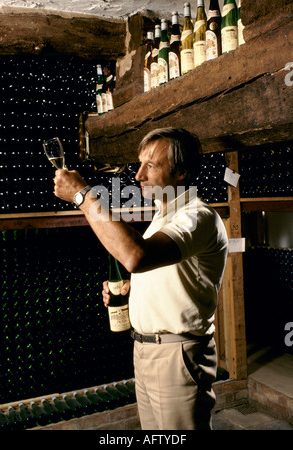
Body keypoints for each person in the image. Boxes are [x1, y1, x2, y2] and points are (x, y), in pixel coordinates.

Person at [53, 127, 228, 430]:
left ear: (182, 171)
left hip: (176, 355)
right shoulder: (165, 216)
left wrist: (83, 196)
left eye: (151, 165)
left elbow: (136, 256)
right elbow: (161, 271)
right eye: (139, 164)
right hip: (146, 351)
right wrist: (132, 289)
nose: (138, 176)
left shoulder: (197, 216)